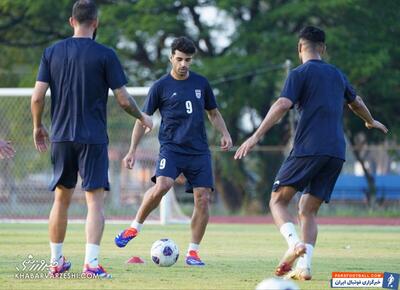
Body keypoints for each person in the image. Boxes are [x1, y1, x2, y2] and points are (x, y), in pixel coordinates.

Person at [234, 26, 388, 280]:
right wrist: (370, 121)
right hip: (336, 153)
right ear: (323, 48)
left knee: (277, 200)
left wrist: (255, 136)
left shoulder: (299, 73)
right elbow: (356, 102)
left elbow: (283, 103)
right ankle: (305, 267)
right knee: (307, 209)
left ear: (299, 48)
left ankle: (294, 245)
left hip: (309, 148)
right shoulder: (337, 74)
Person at [31, 0, 152, 278]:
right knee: (94, 202)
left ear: (71, 21)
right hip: (93, 138)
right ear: (95, 23)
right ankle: (92, 264)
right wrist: (141, 117)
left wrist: (38, 126)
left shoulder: (51, 52)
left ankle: (56, 263)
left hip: (61, 136)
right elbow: (122, 99)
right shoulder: (105, 54)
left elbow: (37, 96)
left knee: (60, 199)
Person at [114, 36, 232, 266]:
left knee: (203, 199)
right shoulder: (160, 86)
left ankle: (193, 253)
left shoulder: (201, 83)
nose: (184, 64)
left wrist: (225, 133)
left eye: (188, 59)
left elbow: (214, 113)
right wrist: (132, 151)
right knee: (163, 185)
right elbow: (142, 120)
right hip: (171, 148)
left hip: (199, 150)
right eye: (179, 59)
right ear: (171, 58)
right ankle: (133, 228)